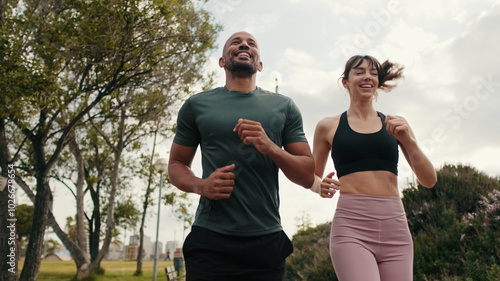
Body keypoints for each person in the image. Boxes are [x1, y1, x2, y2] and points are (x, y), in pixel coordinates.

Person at [167, 31, 315, 281]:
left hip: (265, 242)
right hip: (211, 239)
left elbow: (306, 173)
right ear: (222, 61)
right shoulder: (196, 105)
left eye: (251, 43)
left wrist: (270, 147)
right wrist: (201, 185)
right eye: (235, 42)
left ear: (259, 64)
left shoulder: (284, 106)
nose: (244, 44)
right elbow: (176, 164)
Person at [310, 55, 437, 281]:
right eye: (359, 72)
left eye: (373, 73)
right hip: (352, 227)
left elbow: (429, 180)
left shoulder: (396, 124)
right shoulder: (328, 126)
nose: (367, 76)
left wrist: (408, 140)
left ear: (377, 82)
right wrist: (320, 186)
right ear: (345, 82)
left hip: (395, 229)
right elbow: (312, 175)